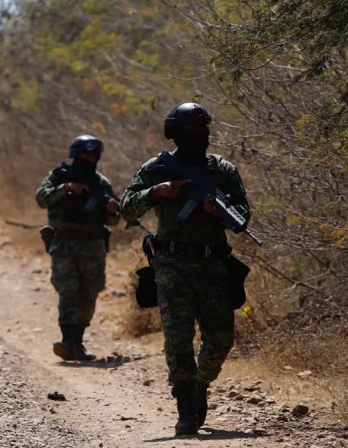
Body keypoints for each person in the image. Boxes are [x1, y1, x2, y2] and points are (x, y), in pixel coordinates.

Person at [120, 102, 251, 436]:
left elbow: (241, 214)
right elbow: (127, 206)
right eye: (192, 130)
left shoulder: (221, 169)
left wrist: (218, 211)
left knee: (221, 338)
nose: (200, 135)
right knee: (178, 340)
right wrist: (157, 191)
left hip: (213, 265)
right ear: (176, 133)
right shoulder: (158, 167)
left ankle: (199, 385)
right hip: (172, 264)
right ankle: (184, 406)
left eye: (203, 129)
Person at [35, 135, 120, 361]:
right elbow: (42, 198)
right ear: (75, 155)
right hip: (65, 242)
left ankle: (77, 342)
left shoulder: (101, 183)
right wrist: (66, 188)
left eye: (94, 155)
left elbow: (113, 221)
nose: (90, 159)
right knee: (68, 290)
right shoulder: (59, 176)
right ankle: (68, 341)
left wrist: (112, 209)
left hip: (92, 245)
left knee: (89, 292)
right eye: (85, 155)